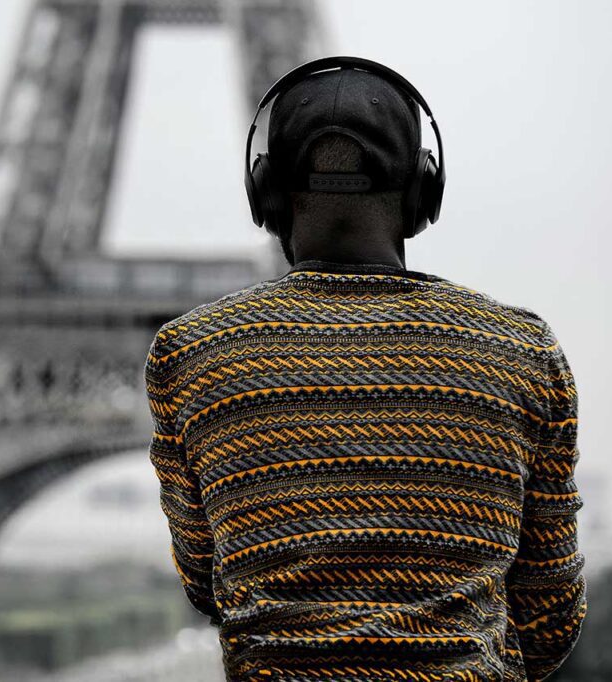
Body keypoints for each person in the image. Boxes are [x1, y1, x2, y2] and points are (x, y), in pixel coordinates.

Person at [144, 57, 587, 681]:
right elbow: (550, 621)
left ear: (266, 196)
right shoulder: (523, 352)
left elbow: (207, 582)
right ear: (421, 193)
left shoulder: (192, 354)